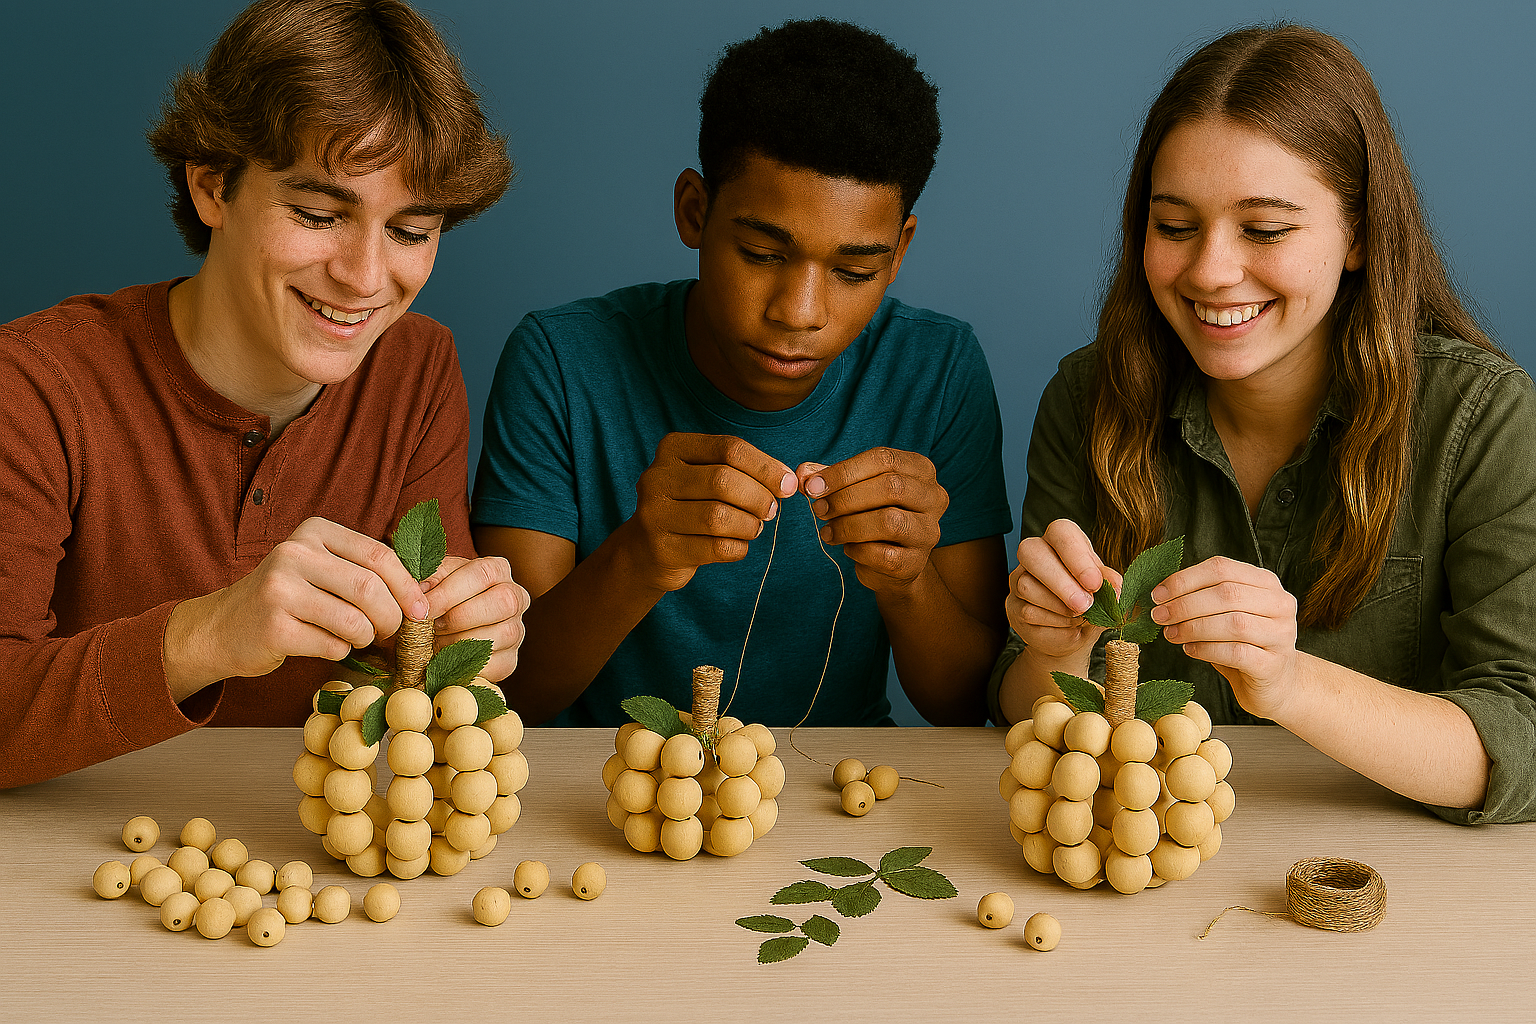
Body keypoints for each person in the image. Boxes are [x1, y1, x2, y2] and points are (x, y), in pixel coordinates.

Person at [995, 23, 1536, 824]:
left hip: (1388, 884)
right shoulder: (1088, 396)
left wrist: (1287, 680)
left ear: (1358, 234)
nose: (1211, 270)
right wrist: (1055, 644)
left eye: (1266, 230)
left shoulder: (1482, 417)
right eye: (1175, 227)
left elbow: (1520, 738)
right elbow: (1016, 701)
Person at [0, 0, 528, 789]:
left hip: (293, 855)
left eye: (412, 232)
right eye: (319, 214)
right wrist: (206, 634)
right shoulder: (32, 385)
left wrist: (456, 638)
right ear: (213, 187)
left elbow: (408, 683)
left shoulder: (417, 366)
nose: (364, 278)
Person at [473, 18, 1012, 729]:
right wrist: (640, 557)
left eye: (854, 271)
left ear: (899, 252)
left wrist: (908, 583)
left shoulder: (938, 369)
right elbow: (506, 698)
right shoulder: (561, 361)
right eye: (762, 254)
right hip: (610, 793)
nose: (800, 312)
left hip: (837, 797)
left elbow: (970, 706)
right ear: (695, 210)